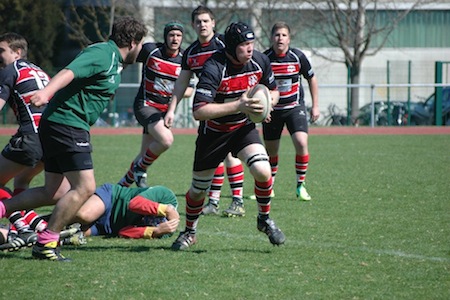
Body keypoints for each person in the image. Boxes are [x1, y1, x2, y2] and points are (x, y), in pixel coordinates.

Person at [0, 16, 148, 261]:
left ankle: (3, 208)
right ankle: (46, 243)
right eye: (141, 44)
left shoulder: (114, 61)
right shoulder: (104, 53)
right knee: (85, 187)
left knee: (54, 192)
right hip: (67, 123)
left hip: (63, 124)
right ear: (132, 42)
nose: (141, 50)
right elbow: (69, 71)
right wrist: (46, 93)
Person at [171, 21, 285, 251]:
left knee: (263, 171)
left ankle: (264, 219)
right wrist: (239, 106)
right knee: (197, 190)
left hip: (243, 130)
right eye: (244, 45)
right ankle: (190, 231)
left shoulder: (259, 61)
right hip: (213, 134)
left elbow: (274, 91)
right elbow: (199, 111)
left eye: (251, 43)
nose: (250, 49)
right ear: (232, 47)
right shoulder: (214, 67)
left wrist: (267, 105)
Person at [165, 6, 246, 217]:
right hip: (209, 108)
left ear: (213, 23)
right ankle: (214, 202)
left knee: (230, 154)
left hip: (234, 106)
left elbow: (245, 68)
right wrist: (171, 110)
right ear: (193, 25)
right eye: (198, 21)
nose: (202, 25)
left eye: (206, 21)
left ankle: (237, 200)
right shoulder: (191, 53)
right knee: (214, 154)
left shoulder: (223, 44)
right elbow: (181, 84)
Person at [0, 32, 67, 250]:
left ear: (17, 52)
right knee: (21, 182)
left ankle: (22, 228)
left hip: (31, 138)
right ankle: (38, 226)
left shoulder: (10, 70)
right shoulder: (39, 71)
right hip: (53, 139)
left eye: (2, 51)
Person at [117, 21, 194, 188]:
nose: (175, 39)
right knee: (166, 140)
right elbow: (127, 57)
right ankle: (140, 169)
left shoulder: (185, 60)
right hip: (145, 105)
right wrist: (115, 74)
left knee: (144, 153)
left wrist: (176, 89)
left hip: (164, 112)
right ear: (165, 37)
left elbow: (189, 90)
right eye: (171, 35)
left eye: (178, 35)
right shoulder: (151, 51)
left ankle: (121, 186)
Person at [261, 22, 319, 201]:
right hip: (273, 111)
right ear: (271, 38)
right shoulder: (264, 58)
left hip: (294, 108)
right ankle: (269, 186)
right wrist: (263, 109)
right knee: (271, 152)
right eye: (277, 35)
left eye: (284, 35)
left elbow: (311, 79)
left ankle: (300, 185)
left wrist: (315, 105)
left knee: (301, 142)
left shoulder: (297, 57)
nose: (280, 38)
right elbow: (257, 85)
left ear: (289, 38)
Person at [75, 183, 179, 240]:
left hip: (108, 227)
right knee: (84, 216)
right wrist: (166, 209)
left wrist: (155, 232)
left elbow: (124, 232)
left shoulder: (167, 231)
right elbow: (134, 204)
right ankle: (63, 213)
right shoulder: (165, 195)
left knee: (75, 233)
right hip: (112, 199)